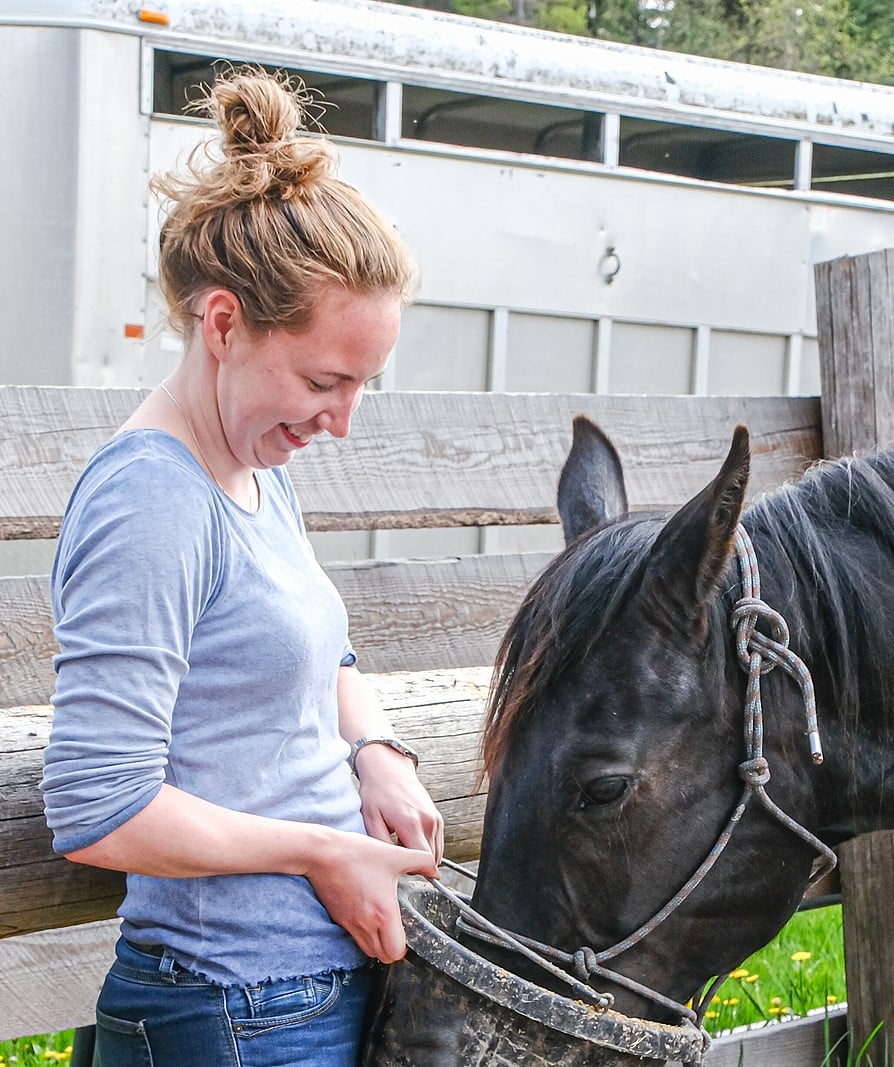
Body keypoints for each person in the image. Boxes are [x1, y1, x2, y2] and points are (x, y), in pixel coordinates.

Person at [41, 68, 443, 1067]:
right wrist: (320, 848)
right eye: (323, 379)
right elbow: (101, 804)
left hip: (300, 996)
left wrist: (376, 750)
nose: (343, 420)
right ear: (222, 325)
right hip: (229, 1012)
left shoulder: (254, 466)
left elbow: (317, 644)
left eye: (365, 386)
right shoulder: (153, 499)